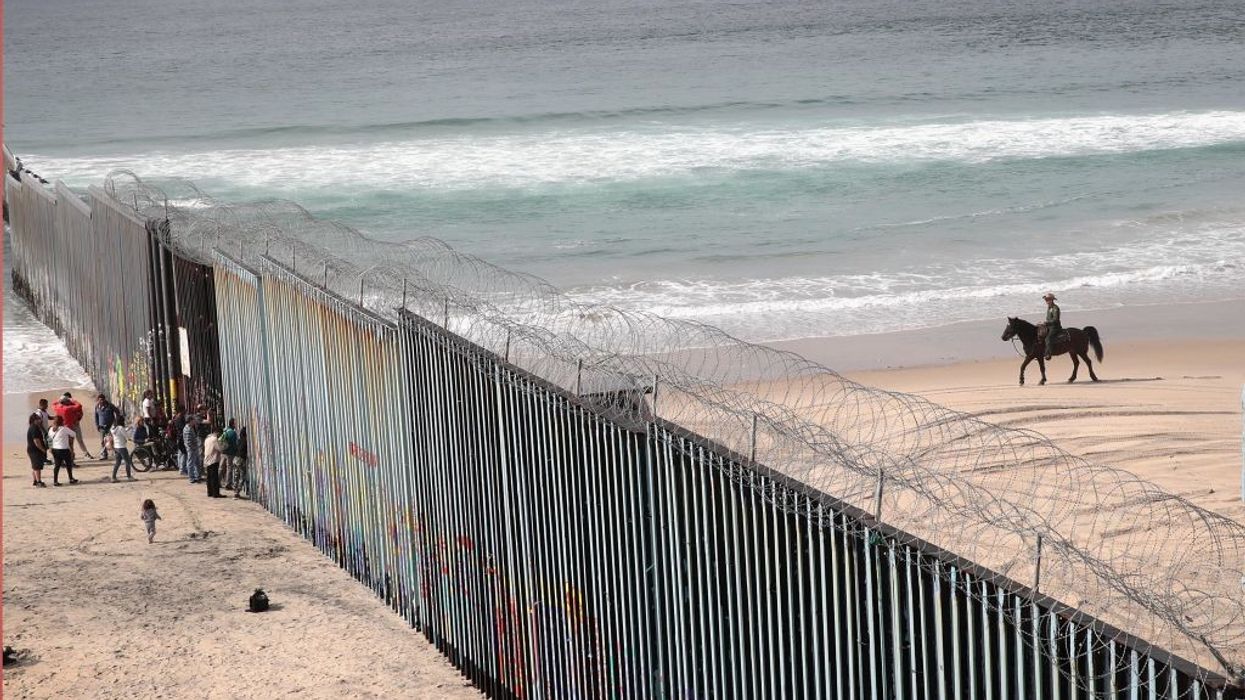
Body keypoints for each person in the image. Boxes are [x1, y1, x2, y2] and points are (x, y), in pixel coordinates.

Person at [52, 392, 93, 459]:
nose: (67, 400)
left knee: (79, 440)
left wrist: (78, 420)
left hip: (74, 425)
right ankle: (72, 455)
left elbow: (80, 413)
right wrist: (72, 400)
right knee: (70, 442)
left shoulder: (61, 407)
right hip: (68, 426)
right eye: (66, 399)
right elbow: (79, 405)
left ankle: (85, 453)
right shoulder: (68, 407)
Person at [48, 415, 80, 486]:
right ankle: (71, 478)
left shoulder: (51, 429)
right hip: (64, 449)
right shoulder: (64, 428)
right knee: (69, 464)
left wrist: (50, 448)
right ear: (61, 421)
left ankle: (55, 481)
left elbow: (49, 439)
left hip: (55, 449)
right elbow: (74, 434)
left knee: (57, 466)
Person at [110, 415, 136, 482]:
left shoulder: (113, 428)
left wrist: (127, 429)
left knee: (118, 462)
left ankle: (113, 477)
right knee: (128, 462)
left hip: (116, 447)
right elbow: (127, 437)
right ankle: (129, 476)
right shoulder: (121, 428)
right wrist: (130, 433)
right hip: (122, 447)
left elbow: (121, 432)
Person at [95, 393, 120, 460]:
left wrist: (116, 422)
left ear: (104, 399)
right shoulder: (97, 406)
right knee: (103, 441)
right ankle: (104, 454)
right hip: (102, 427)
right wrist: (97, 425)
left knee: (112, 440)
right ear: (98, 400)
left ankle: (117, 454)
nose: (101, 401)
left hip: (110, 426)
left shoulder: (110, 405)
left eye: (102, 399)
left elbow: (117, 412)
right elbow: (96, 417)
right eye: (100, 400)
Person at [26, 414, 48, 487]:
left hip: (32, 449)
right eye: (38, 419)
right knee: (37, 466)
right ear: (34, 420)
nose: (40, 420)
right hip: (35, 450)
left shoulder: (33, 427)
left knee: (35, 466)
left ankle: (35, 480)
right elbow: (36, 441)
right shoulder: (34, 428)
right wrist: (42, 449)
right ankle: (39, 482)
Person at [203, 426, 225, 498]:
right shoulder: (214, 439)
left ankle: (210, 492)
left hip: (207, 459)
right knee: (214, 477)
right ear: (217, 432)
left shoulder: (207, 438)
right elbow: (219, 448)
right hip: (213, 460)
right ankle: (216, 493)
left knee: (209, 477)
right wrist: (225, 446)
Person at [182, 413, 203, 484]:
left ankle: (198, 476)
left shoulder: (190, 427)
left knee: (197, 463)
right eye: (193, 420)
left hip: (194, 448)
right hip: (192, 449)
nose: (194, 421)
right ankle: (191, 477)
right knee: (191, 463)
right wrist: (194, 448)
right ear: (190, 420)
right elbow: (188, 442)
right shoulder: (187, 429)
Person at [1042, 292, 1062, 361]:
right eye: (1046, 300)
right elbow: (1049, 318)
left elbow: (1056, 319)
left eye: (1048, 299)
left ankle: (1048, 354)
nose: (1047, 301)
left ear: (1052, 300)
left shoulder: (1055, 308)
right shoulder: (1049, 307)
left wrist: (1046, 322)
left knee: (1048, 338)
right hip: (1049, 326)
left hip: (1055, 327)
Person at [220, 419, 239, 490]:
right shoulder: (233, 433)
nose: (236, 425)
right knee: (229, 468)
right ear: (233, 424)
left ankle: (217, 481)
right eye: (235, 423)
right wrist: (236, 451)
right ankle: (228, 484)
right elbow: (234, 444)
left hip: (223, 451)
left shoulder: (225, 430)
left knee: (221, 467)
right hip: (229, 453)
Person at [232, 425, 249, 499]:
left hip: (235, 459)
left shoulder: (239, 440)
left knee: (236, 475)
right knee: (242, 476)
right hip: (241, 460)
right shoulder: (246, 441)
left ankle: (235, 491)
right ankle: (237, 491)